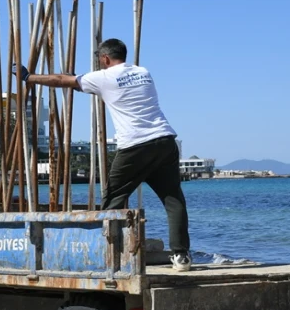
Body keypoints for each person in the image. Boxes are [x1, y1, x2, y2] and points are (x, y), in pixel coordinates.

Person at [23, 38, 192, 271]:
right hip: (165, 140)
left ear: (104, 59)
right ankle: (181, 256)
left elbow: (62, 80)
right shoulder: (143, 72)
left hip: (134, 145)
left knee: (114, 198)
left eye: (99, 61)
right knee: (173, 200)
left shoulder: (102, 77)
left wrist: (29, 78)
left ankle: (109, 254)